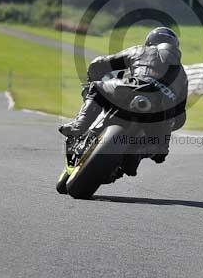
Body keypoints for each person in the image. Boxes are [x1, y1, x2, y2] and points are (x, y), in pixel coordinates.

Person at [59, 27, 188, 174]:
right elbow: (180, 115)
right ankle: (137, 153)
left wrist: (92, 79)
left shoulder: (141, 50)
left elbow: (101, 63)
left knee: (97, 87)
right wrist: (168, 125)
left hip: (133, 88)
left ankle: (78, 127)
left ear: (150, 42)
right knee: (160, 150)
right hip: (163, 110)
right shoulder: (183, 75)